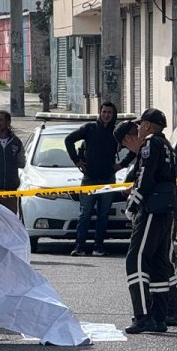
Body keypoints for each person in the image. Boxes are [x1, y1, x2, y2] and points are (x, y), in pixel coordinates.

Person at [119, 110, 177, 334]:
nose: (139, 128)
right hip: (167, 207)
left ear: (149, 125)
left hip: (152, 207)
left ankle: (142, 316)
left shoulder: (150, 144)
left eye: (141, 124)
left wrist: (133, 205)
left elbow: (145, 177)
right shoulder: (166, 145)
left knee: (136, 259)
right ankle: (160, 317)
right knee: (159, 262)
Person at [64, 102, 126, 256]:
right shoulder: (89, 128)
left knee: (103, 215)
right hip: (89, 178)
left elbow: (135, 148)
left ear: (114, 114)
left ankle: (98, 247)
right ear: (99, 112)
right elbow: (68, 140)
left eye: (109, 112)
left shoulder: (116, 132)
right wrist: (77, 161)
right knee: (85, 214)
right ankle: (79, 247)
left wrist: (122, 165)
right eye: (104, 112)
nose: (106, 115)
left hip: (108, 179)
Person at [0, 110, 25, 215]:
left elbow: (21, 163)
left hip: (10, 192)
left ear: (8, 122)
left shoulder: (16, 142)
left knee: (10, 224)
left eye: (0, 120)